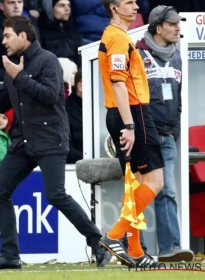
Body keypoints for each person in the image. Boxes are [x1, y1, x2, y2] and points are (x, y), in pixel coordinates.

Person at [0, 16, 111, 270]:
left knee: (56, 195)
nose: (2, 41)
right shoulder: (11, 64)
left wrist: (20, 76)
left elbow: (50, 96)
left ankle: (99, 244)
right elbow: (3, 103)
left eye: (7, 36)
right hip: (23, 141)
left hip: (50, 138)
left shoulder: (48, 60)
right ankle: (10, 255)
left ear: (23, 37)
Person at [98, 0, 164, 267]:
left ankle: (135, 251)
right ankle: (115, 236)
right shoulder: (116, 38)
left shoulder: (116, 35)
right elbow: (118, 83)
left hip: (122, 113)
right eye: (129, 2)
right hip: (133, 114)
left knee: (134, 184)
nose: (136, 6)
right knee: (156, 181)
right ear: (114, 7)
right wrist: (130, 125)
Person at [135, 5, 194, 262]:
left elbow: (178, 99)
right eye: (172, 24)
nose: (178, 28)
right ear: (158, 27)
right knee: (139, 192)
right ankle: (136, 249)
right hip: (144, 135)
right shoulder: (137, 53)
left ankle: (170, 248)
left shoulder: (178, 56)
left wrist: (174, 130)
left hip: (167, 135)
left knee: (167, 190)